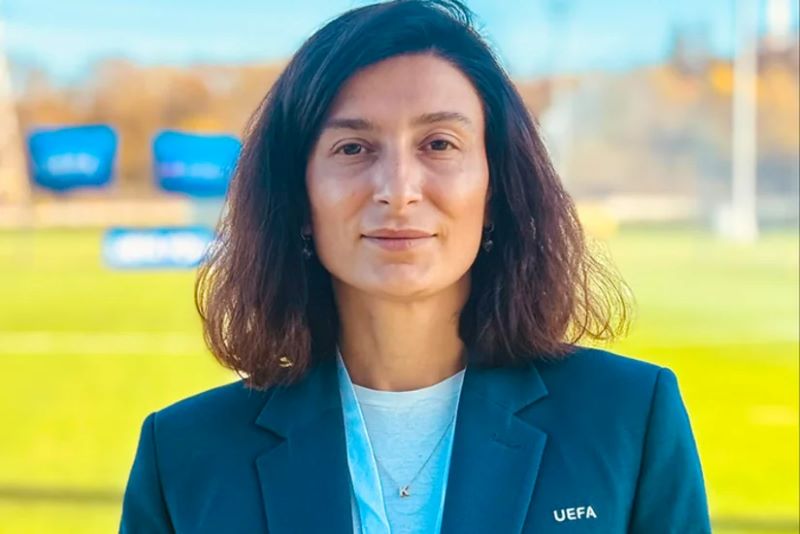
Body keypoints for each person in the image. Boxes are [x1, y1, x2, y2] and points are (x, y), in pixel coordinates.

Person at [119, 1, 710, 532]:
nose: (398, 190)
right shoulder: (185, 457)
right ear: (298, 197)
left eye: (439, 144)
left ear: (496, 188)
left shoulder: (628, 418)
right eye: (353, 148)